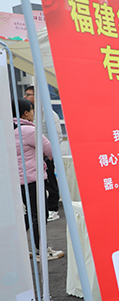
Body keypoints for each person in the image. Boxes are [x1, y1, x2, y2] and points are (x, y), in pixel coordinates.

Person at [13, 98, 65, 261]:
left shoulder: (10, 130)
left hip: (20, 181)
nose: (33, 113)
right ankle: (40, 250)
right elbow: (50, 149)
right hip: (34, 179)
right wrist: (46, 156)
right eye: (32, 110)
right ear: (25, 113)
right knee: (39, 215)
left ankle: (16, 247)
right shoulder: (29, 131)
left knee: (29, 214)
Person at [25, 85, 63, 222]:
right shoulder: (30, 114)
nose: (25, 97)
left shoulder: (48, 113)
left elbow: (57, 135)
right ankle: (44, 208)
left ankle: (53, 209)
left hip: (47, 154)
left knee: (50, 182)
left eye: (28, 94)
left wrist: (51, 153)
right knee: (40, 183)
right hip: (34, 155)